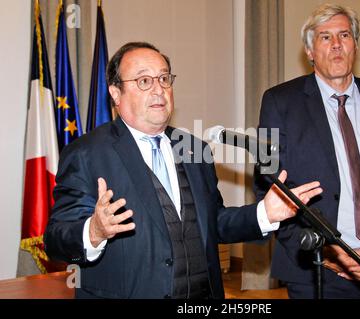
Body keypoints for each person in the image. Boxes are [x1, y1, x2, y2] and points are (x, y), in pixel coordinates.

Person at [43, 42, 322, 299]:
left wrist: (264, 213)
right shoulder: (86, 154)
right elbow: (56, 240)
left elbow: (214, 224)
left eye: (164, 79)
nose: (158, 89)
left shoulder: (193, 148)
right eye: (144, 81)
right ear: (116, 93)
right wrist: (93, 231)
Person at [254, 4, 360, 299]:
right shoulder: (279, 102)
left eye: (344, 35)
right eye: (325, 37)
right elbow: (269, 188)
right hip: (317, 272)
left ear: (355, 44)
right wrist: (322, 252)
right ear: (309, 51)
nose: (337, 45)